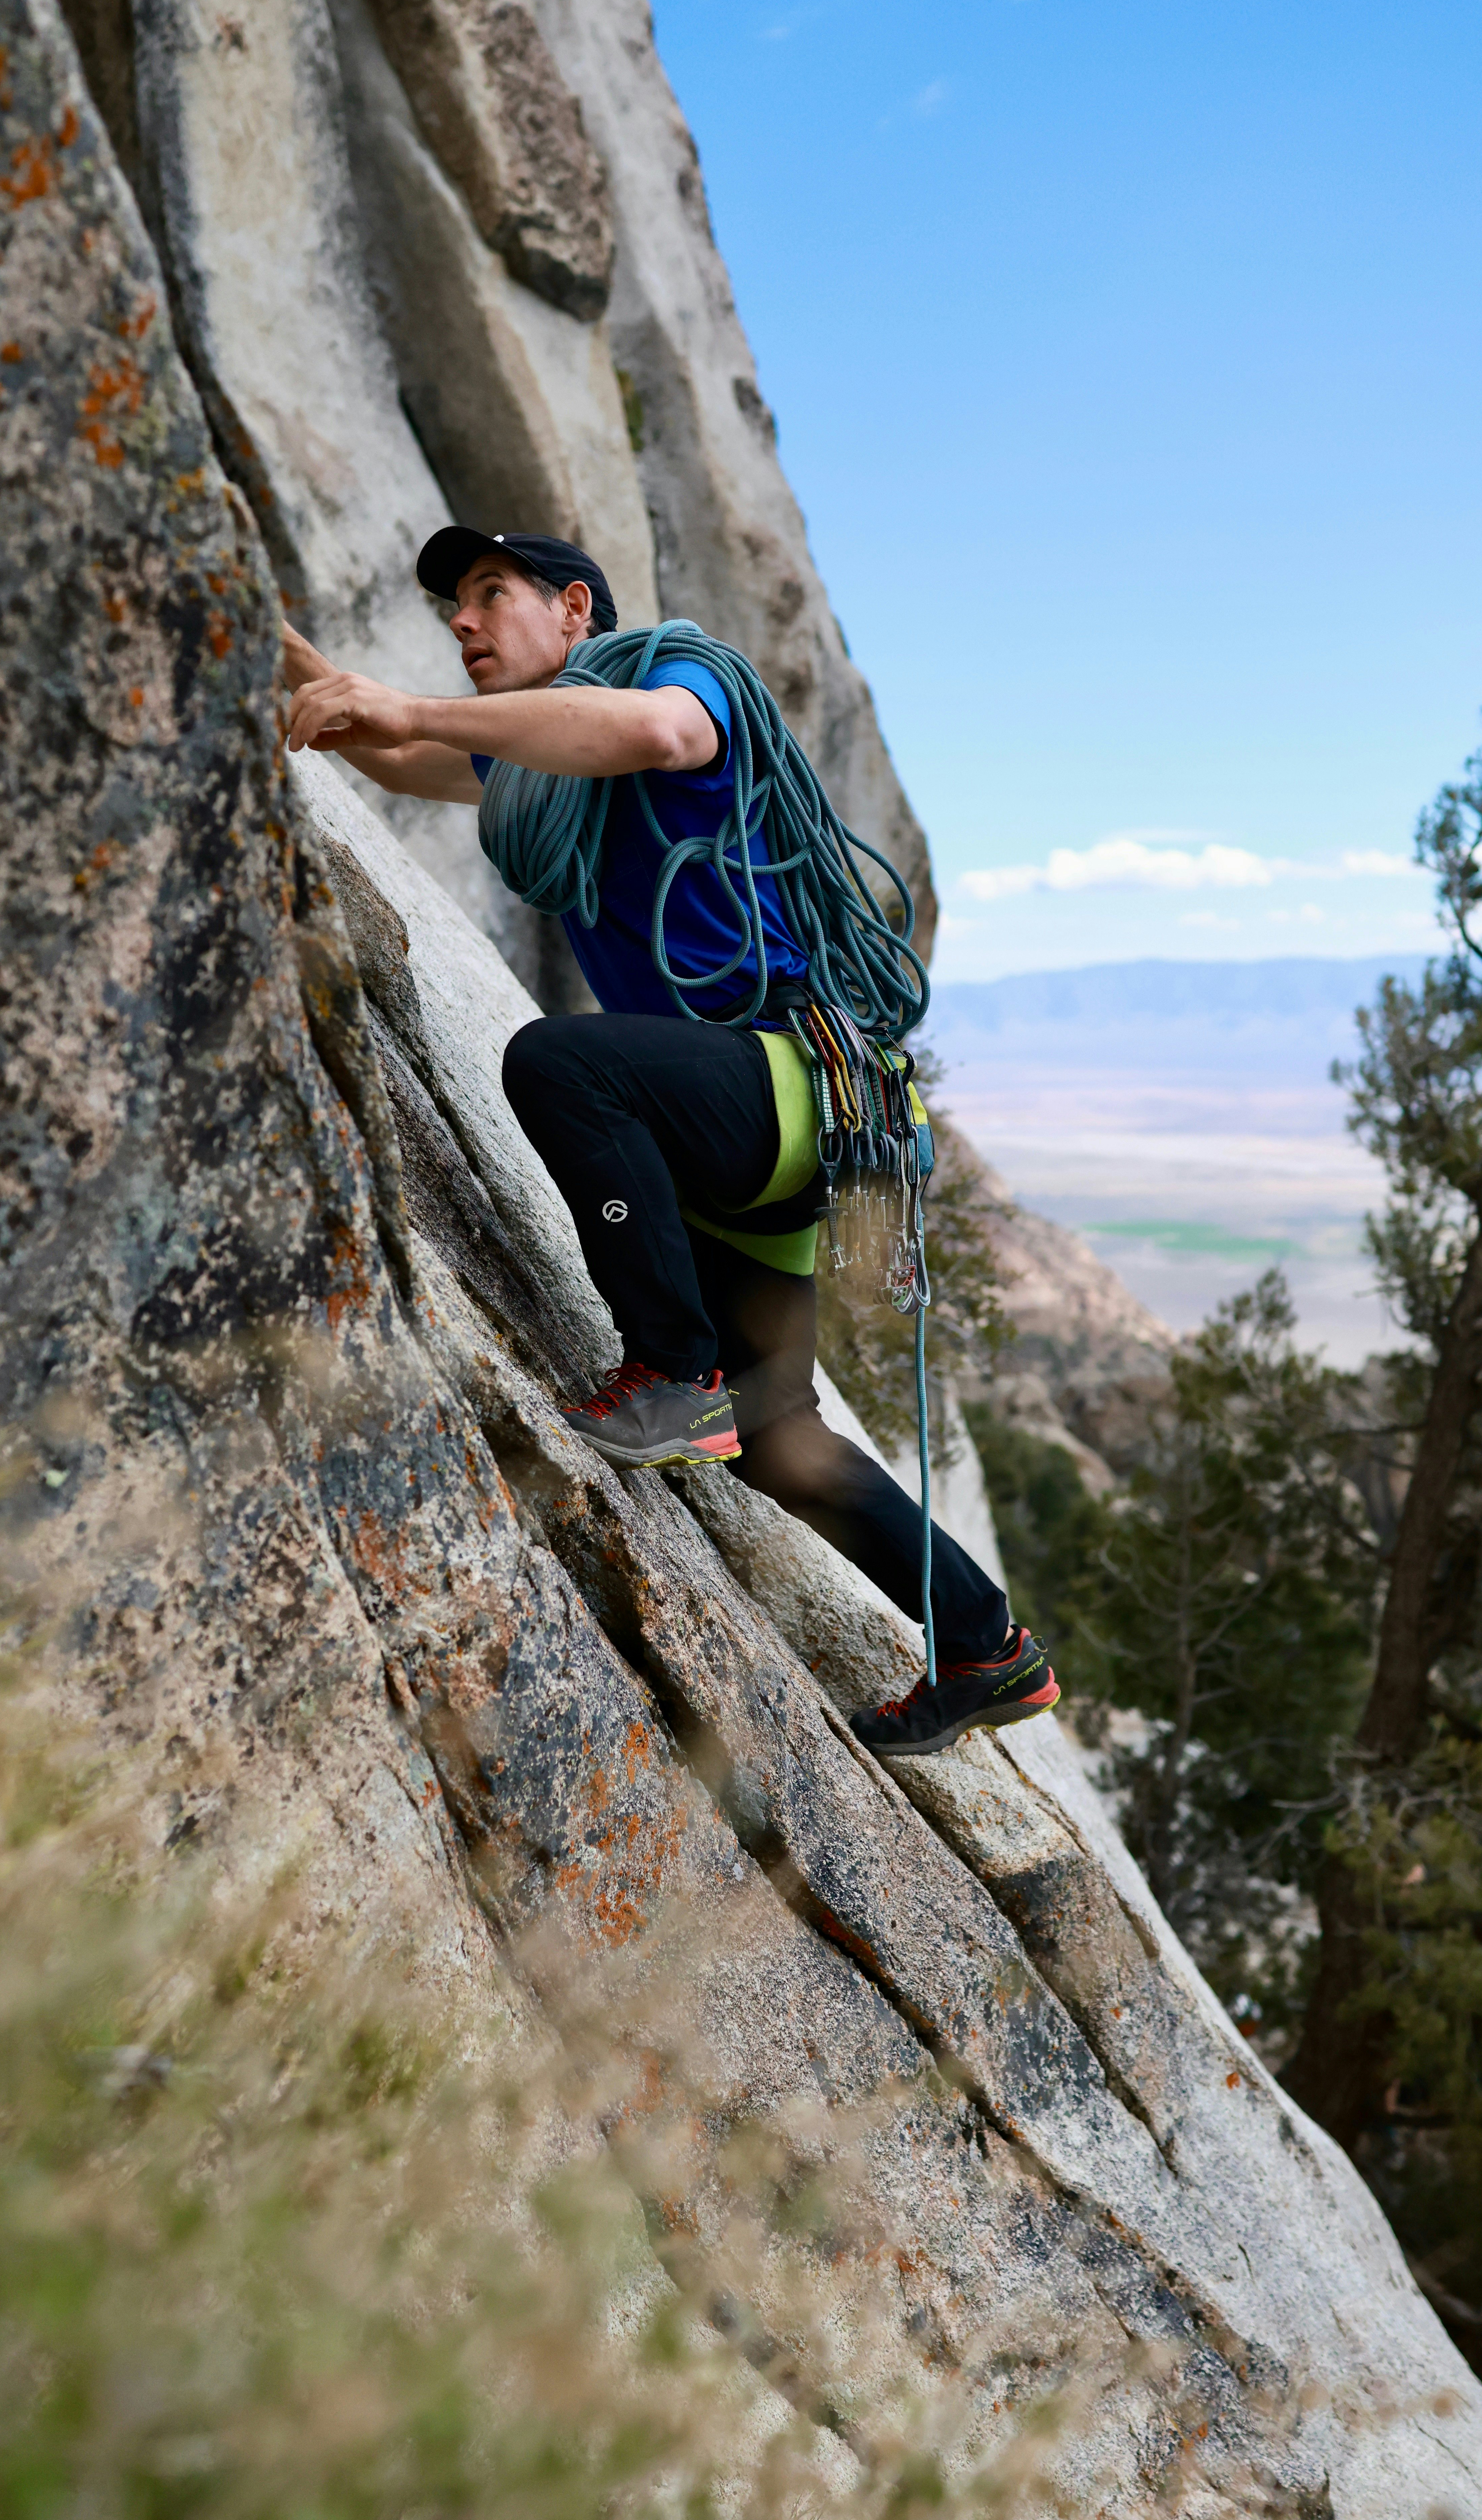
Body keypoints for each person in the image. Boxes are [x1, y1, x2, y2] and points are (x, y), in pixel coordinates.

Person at [283, 527, 1057, 1755]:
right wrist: (288, 660)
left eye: (493, 595)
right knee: (780, 1437)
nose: (467, 623)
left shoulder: (677, 671)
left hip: (792, 1081)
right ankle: (986, 1648)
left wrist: (402, 701)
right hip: (747, 1130)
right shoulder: (536, 766)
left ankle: (672, 1374)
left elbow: (658, 739)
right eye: (453, 611)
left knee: (561, 1060)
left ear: (575, 610)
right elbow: (395, 751)